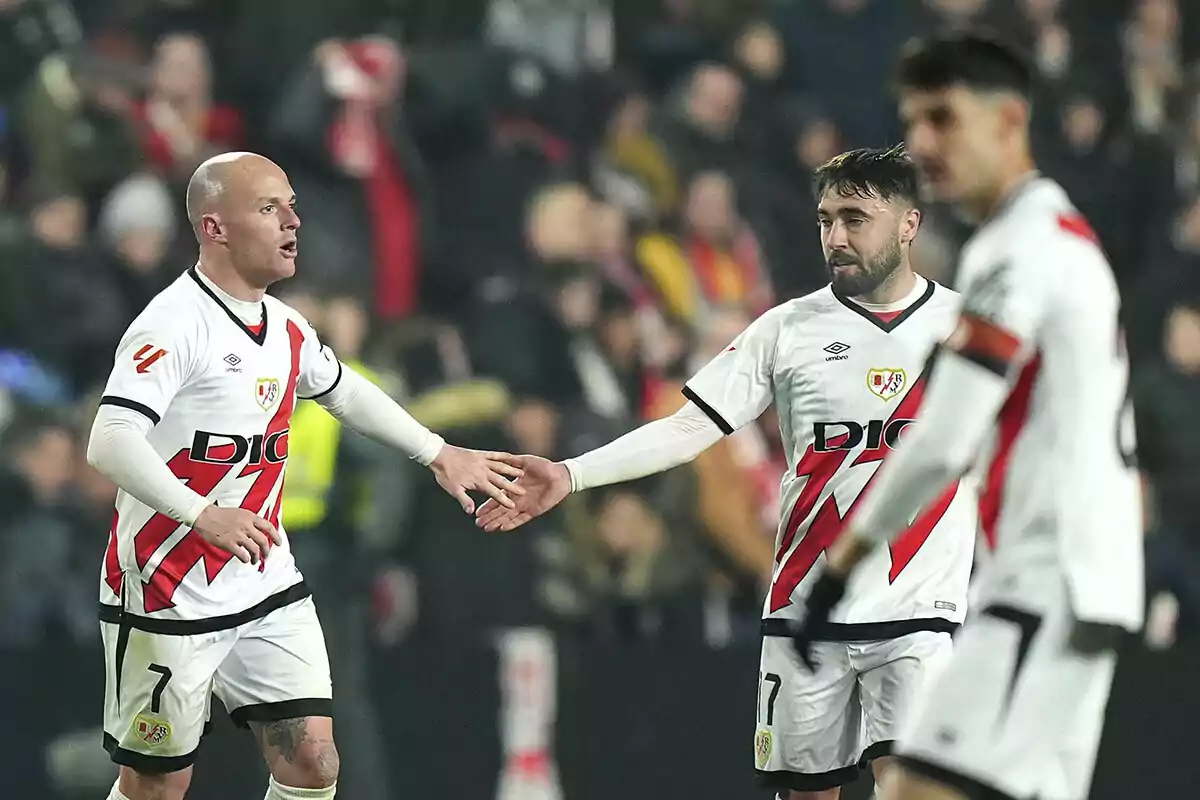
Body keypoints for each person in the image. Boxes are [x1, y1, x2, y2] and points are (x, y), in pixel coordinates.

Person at [476, 145, 978, 799]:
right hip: (805, 611)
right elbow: (688, 428)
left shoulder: (970, 330)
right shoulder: (788, 329)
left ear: (909, 224)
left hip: (919, 613)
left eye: (856, 218)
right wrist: (571, 475)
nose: (836, 237)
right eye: (826, 220)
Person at [86, 151, 524, 800]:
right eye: (269, 208)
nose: (293, 221)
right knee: (156, 784)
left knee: (314, 759)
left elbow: (344, 390)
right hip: (166, 583)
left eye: (292, 204)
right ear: (215, 228)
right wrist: (202, 514)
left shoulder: (285, 328)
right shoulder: (172, 325)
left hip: (262, 575)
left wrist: (438, 453)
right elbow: (109, 440)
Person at [786, 33, 1145, 800]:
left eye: (943, 118)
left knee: (917, 791)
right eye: (914, 122)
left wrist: (840, 567)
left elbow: (945, 435)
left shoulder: (1016, 251)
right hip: (1084, 577)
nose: (922, 143)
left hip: (1047, 577)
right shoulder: (1060, 239)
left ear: (1009, 120)